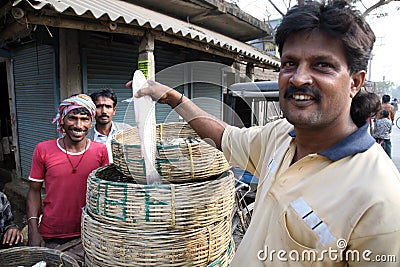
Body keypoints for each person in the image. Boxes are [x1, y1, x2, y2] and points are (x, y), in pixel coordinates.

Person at [128, 1, 400, 266]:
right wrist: (174, 98)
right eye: (290, 63)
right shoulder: (280, 136)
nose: (298, 78)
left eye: (322, 65)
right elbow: (225, 137)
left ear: (355, 82)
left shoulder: (381, 197)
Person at [26, 94, 109, 254]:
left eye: (85, 119)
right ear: (62, 120)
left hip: (88, 231)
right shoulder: (43, 149)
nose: (79, 125)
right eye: (72, 118)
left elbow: (104, 192)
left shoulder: (100, 151)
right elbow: (34, 191)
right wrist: (33, 230)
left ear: (91, 122)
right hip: (51, 233)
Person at [88, 89, 131, 162]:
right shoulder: (86, 136)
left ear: (114, 110)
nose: (104, 111)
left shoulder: (127, 131)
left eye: (108, 107)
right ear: (92, 111)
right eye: (99, 106)